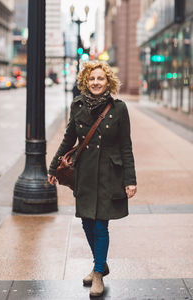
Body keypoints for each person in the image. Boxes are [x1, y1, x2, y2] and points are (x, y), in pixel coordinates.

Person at [48, 61, 137, 297]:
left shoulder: (119, 108)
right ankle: (101, 262)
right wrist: (52, 168)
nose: (96, 82)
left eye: (100, 78)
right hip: (84, 173)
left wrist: (130, 179)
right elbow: (68, 140)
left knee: (100, 224)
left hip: (110, 174)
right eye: (92, 79)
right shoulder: (77, 105)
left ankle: (98, 273)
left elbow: (126, 146)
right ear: (85, 82)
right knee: (86, 221)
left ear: (108, 81)